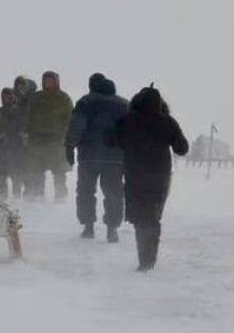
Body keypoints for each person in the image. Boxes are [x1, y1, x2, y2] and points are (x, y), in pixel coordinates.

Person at [105, 85, 188, 272]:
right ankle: (150, 258)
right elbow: (182, 148)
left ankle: (144, 259)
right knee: (152, 217)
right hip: (160, 176)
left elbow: (110, 140)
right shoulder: (168, 122)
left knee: (140, 217)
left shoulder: (128, 120)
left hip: (135, 174)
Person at [65, 74, 129, 242]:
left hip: (89, 156)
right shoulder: (124, 104)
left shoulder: (85, 102)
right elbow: (130, 130)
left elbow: (77, 126)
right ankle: (112, 228)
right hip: (116, 157)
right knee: (114, 192)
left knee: (86, 191)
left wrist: (69, 146)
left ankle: (88, 226)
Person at [24, 71, 73, 201]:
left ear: (56, 81)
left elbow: (69, 119)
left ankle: (61, 197)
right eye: (46, 80)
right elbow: (28, 117)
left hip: (56, 140)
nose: (48, 83)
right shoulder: (37, 97)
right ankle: (38, 196)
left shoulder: (63, 98)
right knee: (37, 171)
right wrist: (27, 133)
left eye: (51, 80)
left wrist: (65, 135)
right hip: (37, 140)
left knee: (59, 171)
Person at [0, 88, 26, 198]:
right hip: (2, 149)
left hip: (16, 148)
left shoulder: (20, 112)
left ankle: (17, 198)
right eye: (5, 96)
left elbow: (24, 128)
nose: (8, 98)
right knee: (1, 176)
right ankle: (3, 198)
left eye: (10, 96)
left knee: (17, 176)